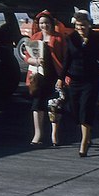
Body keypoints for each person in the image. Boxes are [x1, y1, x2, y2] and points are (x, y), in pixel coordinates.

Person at [56, 11, 99, 157]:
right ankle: (87, 132)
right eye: (78, 26)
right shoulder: (71, 38)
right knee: (75, 109)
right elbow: (67, 60)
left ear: (89, 25)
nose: (80, 28)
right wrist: (61, 77)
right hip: (75, 79)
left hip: (91, 79)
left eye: (83, 26)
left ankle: (84, 142)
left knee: (86, 108)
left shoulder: (96, 39)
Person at [23, 10, 66, 146]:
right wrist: (35, 61)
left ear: (51, 23)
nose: (44, 25)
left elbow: (65, 58)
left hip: (54, 75)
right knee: (37, 104)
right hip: (39, 75)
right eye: (41, 23)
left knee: (54, 105)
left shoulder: (59, 38)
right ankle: (38, 133)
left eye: (46, 22)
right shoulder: (35, 37)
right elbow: (27, 57)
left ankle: (54, 134)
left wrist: (64, 76)